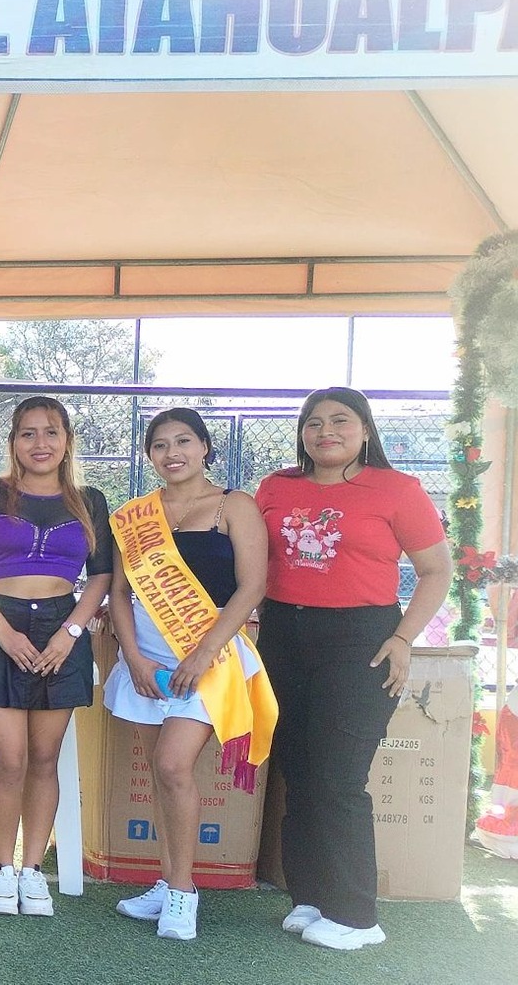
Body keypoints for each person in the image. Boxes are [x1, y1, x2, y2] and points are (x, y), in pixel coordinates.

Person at [254, 388, 451, 951]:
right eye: (313, 423)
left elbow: (436, 571)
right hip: (283, 636)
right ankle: (312, 897)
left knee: (339, 777)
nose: (326, 432)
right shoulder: (275, 488)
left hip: (361, 640)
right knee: (299, 772)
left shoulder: (398, 490)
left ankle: (358, 916)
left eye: (340, 420)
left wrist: (403, 638)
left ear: (365, 429)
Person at [106, 407, 275, 942]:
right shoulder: (133, 516)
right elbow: (119, 594)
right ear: (149, 455)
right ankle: (166, 880)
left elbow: (252, 586)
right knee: (160, 774)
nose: (171, 453)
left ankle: (183, 894)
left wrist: (203, 654)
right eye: (159, 445)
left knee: (172, 765)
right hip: (147, 660)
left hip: (210, 659)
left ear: (205, 447)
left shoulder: (234, 506)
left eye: (183, 441)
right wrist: (133, 658)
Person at [0, 397, 114, 917]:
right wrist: (2, 632)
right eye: (28, 433)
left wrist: (70, 632)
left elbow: (101, 575)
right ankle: (1, 870)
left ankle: (32, 870)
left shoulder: (90, 500)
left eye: (50, 432)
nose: (40, 443)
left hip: (61, 630)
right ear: (13, 442)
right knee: (10, 760)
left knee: (45, 760)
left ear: (67, 440)